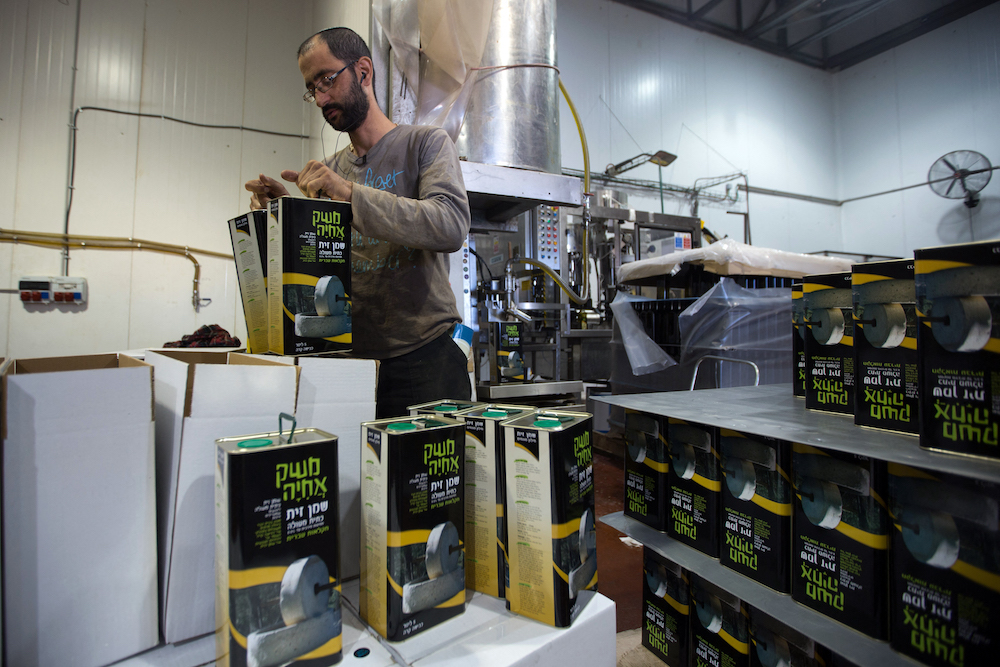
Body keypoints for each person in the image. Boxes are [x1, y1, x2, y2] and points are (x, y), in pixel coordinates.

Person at [245, 27, 472, 418]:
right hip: (350, 363)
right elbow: (322, 261)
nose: (319, 97)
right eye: (311, 87)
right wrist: (285, 214)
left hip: (425, 359)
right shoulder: (331, 171)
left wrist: (351, 194)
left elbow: (450, 224)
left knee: (426, 478)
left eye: (327, 79)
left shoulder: (425, 144)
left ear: (363, 71)